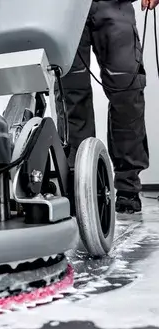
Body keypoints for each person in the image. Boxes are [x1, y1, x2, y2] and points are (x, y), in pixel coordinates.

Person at [56, 0, 159, 213]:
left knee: (128, 92)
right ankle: (81, 185)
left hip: (114, 4)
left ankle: (128, 187)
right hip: (64, 7)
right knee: (71, 97)